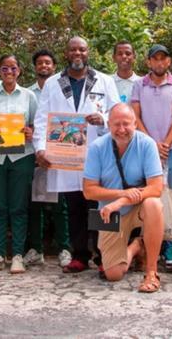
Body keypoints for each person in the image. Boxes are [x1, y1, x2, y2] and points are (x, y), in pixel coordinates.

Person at [33, 36, 120, 274]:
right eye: (73, 50)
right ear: (67, 53)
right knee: (75, 206)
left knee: (101, 205)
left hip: (98, 153)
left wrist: (102, 120)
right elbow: (42, 119)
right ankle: (80, 255)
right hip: (67, 155)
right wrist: (40, 148)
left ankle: (105, 256)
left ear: (88, 52)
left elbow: (117, 115)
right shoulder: (53, 83)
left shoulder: (104, 81)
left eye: (82, 49)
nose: (77, 53)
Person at [83, 104, 164, 292]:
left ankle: (152, 273)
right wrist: (121, 194)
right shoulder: (96, 147)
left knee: (153, 204)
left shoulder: (147, 144)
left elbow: (156, 187)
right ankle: (137, 246)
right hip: (109, 213)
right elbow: (89, 191)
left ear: (135, 124)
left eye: (126, 124)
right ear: (108, 125)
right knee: (113, 274)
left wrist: (121, 201)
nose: (121, 130)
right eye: (116, 125)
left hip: (137, 206)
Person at [130, 44, 172, 272]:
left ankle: (169, 245)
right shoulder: (138, 85)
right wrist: (152, 143)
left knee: (170, 195)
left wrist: (165, 143)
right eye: (155, 59)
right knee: (148, 195)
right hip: (144, 148)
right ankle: (147, 247)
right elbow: (135, 116)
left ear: (169, 62)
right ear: (149, 62)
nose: (159, 63)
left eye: (164, 59)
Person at [0, 54, 38, 274]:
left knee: (18, 207)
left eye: (13, 68)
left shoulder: (29, 96)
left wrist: (30, 131)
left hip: (22, 156)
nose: (8, 72)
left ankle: (16, 255)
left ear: (19, 71)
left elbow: (36, 124)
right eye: (4, 69)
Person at [25, 49, 72, 268]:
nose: (44, 66)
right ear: (35, 67)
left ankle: (64, 248)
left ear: (54, 66)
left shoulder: (64, 89)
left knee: (60, 203)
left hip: (60, 152)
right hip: (34, 153)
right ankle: (36, 249)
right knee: (36, 202)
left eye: (48, 63)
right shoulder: (26, 93)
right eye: (40, 63)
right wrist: (34, 142)